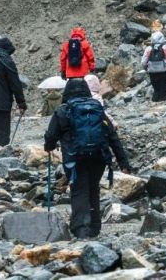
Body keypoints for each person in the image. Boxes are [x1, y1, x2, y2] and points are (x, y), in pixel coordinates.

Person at [44, 79, 132, 240]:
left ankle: (81, 229)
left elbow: (51, 136)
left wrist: (48, 146)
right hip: (98, 156)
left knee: (79, 190)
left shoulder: (63, 110)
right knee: (93, 188)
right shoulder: (97, 109)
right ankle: (94, 227)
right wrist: (123, 162)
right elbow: (112, 136)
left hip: (74, 158)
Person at [141, 32, 166, 102]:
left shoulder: (148, 48)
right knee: (164, 87)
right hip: (164, 71)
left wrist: (146, 68)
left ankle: (155, 101)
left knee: (156, 88)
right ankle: (163, 102)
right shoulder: (165, 47)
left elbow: (143, 62)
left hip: (152, 72)